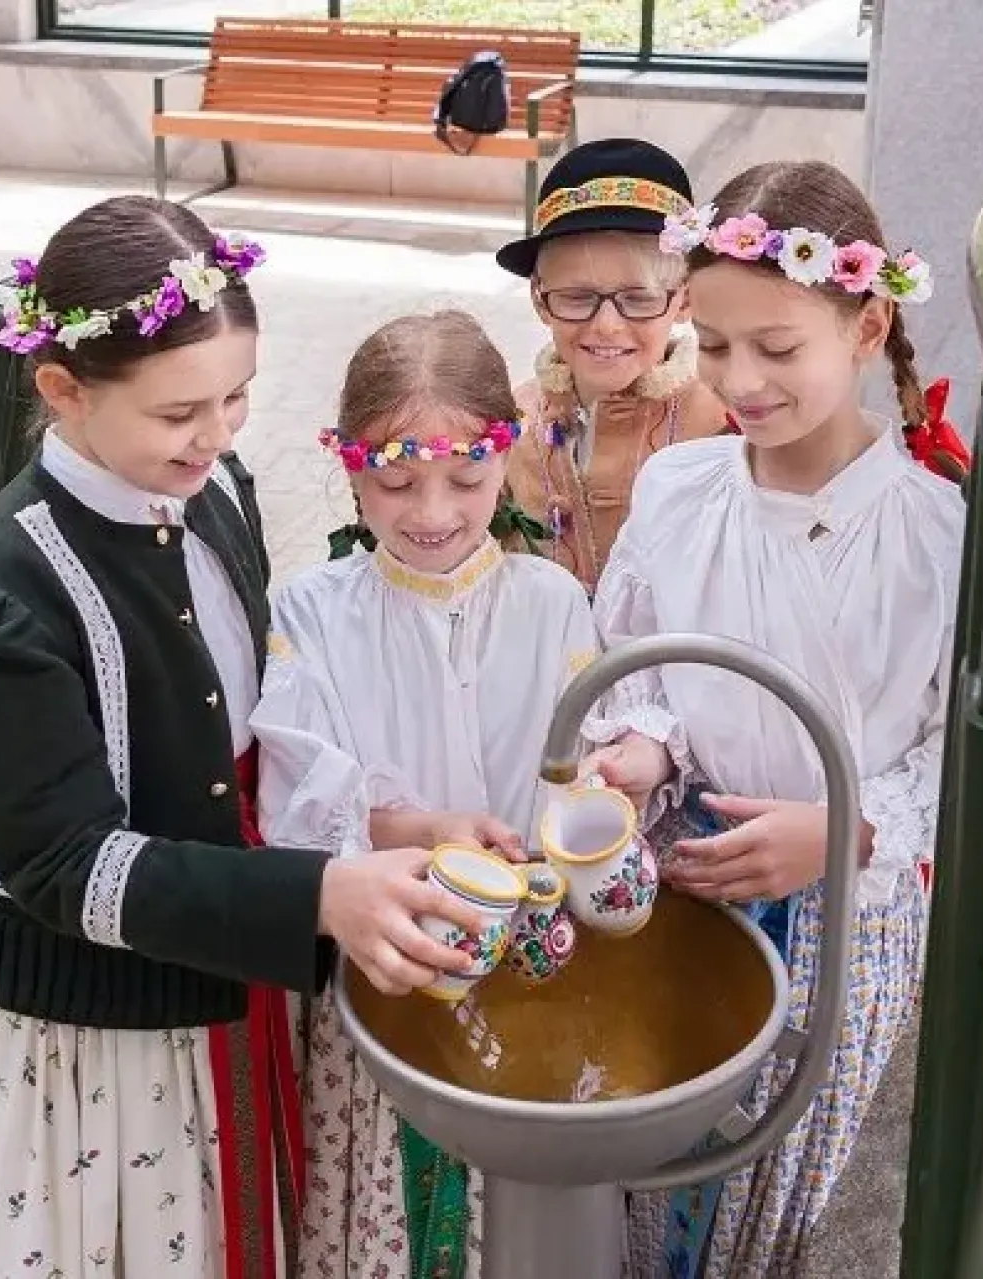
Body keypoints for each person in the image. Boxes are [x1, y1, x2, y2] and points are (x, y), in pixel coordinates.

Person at [0, 195, 484, 1279]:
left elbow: (252, 721)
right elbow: (67, 868)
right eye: (181, 413)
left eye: (237, 397)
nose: (217, 436)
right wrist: (316, 895)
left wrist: (383, 820)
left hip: (222, 955)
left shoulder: (215, 487)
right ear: (64, 390)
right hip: (87, 1032)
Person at [579, 161, 972, 1277]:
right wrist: (646, 747)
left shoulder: (936, 534)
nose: (740, 380)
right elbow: (637, 662)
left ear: (867, 322)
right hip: (687, 880)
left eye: (778, 346)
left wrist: (846, 828)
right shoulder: (679, 489)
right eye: (714, 344)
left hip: (847, 913)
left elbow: (964, 755)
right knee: (653, 1159)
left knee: (786, 1193)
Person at [251, 311, 621, 1279]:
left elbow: (582, 768)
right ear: (348, 468)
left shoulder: (553, 602)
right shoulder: (311, 610)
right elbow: (301, 797)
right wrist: (422, 827)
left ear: (508, 457)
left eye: (466, 478)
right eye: (396, 478)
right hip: (385, 968)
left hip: (529, 969)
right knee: (385, 1207)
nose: (433, 511)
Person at [492, 138, 731, 593]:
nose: (606, 326)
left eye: (638, 299)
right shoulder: (508, 425)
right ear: (540, 299)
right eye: (577, 297)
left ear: (685, 298)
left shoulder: (724, 425)